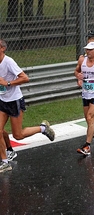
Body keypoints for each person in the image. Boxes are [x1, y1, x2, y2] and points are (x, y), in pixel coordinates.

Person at [0, 39, 55, 172]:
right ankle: (5, 162)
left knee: (18, 135)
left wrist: (7, 83)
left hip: (14, 101)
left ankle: (43, 128)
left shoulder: (9, 62)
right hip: (2, 101)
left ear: (2, 48)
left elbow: (25, 78)